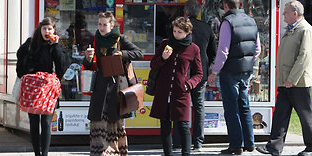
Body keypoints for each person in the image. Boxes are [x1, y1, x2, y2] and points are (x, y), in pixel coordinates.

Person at [256, 0, 312, 156]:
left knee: (305, 115)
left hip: (298, 82)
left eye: (286, 11)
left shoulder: (305, 30)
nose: (283, 14)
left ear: (295, 13)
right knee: (280, 114)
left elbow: (304, 57)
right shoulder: (291, 29)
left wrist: (292, 79)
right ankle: (274, 147)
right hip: (286, 81)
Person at [83, 11, 143, 156]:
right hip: (100, 87)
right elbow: (90, 66)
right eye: (99, 24)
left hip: (116, 87)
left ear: (112, 25)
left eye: (105, 24)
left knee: (115, 123)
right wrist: (88, 59)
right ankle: (100, 152)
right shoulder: (96, 39)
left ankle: (115, 151)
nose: (101, 27)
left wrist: (123, 54)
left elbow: (139, 53)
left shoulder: (120, 39)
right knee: (98, 122)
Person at [207, 0, 260, 155]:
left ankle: (236, 145)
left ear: (225, 6)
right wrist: (248, 61)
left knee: (231, 108)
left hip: (230, 71)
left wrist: (214, 71)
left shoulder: (227, 22)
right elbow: (257, 49)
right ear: (239, 4)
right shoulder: (251, 21)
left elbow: (223, 51)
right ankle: (250, 143)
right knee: (244, 106)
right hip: (246, 71)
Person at [150, 17, 203, 156]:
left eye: (179, 32)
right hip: (164, 90)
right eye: (174, 31)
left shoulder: (194, 49)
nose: (176, 34)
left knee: (184, 126)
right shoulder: (165, 44)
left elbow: (199, 73)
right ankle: (168, 153)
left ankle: (186, 153)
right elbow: (153, 64)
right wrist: (163, 58)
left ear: (187, 32)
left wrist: (188, 85)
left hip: (181, 91)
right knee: (165, 125)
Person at [16, 17, 69, 156]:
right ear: (39, 30)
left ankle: (44, 154)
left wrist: (56, 46)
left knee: (46, 123)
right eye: (44, 29)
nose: (47, 31)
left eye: (50, 29)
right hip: (33, 88)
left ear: (54, 30)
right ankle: (37, 154)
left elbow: (62, 66)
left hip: (48, 89)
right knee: (33, 122)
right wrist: (24, 76)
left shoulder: (56, 46)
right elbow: (20, 59)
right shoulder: (31, 44)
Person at [173, 0, 217, 151]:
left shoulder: (178, 28)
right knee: (199, 106)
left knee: (179, 105)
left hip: (182, 71)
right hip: (200, 72)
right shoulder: (206, 28)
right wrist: (207, 63)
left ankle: (178, 141)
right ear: (199, 11)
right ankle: (198, 141)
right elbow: (213, 51)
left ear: (185, 11)